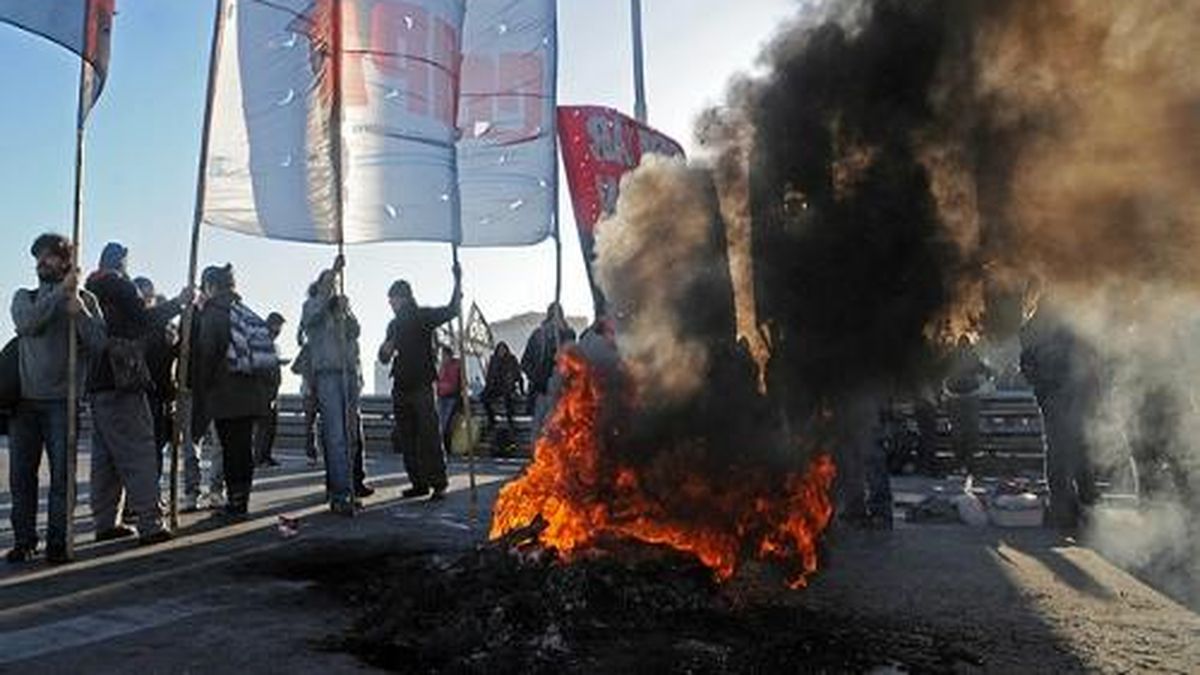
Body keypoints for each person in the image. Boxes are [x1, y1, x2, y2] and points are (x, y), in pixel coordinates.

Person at [6, 234, 106, 564]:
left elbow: (98, 344)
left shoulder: (84, 298)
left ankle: (58, 542)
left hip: (63, 402)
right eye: (38, 258)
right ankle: (24, 540)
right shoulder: (25, 296)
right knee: (22, 476)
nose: (41, 263)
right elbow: (27, 324)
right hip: (24, 403)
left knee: (63, 478)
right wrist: (59, 295)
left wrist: (79, 311)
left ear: (65, 261)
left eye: (49, 257)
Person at [85, 242, 183, 546]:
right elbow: (144, 319)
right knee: (138, 450)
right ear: (122, 262)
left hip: (97, 382)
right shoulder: (121, 286)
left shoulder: (89, 291)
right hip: (123, 377)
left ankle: (105, 521)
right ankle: (151, 523)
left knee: (106, 456)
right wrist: (179, 303)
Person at [193, 264, 274, 520]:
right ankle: (241, 501)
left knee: (231, 450)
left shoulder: (213, 314)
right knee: (243, 449)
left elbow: (207, 353)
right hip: (251, 395)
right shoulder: (244, 311)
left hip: (225, 395)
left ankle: (235, 504)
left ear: (211, 286)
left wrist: (200, 388)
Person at [379, 263, 461, 500]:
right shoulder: (394, 325)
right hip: (404, 385)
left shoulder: (421, 316)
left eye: (392, 299)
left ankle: (435, 482)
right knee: (410, 437)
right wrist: (385, 350)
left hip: (421, 385)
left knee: (426, 436)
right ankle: (421, 482)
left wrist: (457, 282)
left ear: (402, 298)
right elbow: (384, 357)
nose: (390, 304)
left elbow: (452, 309)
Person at [1020, 301, 1099, 530]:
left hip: (1066, 397)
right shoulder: (1041, 330)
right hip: (1058, 398)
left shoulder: (1046, 329)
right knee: (1069, 451)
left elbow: (1089, 363)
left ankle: (1076, 506)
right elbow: (1028, 365)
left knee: (1068, 451)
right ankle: (1074, 507)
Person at [302, 258, 364, 514]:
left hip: (348, 374)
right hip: (327, 375)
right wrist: (333, 275)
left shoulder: (342, 309)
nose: (335, 286)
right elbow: (312, 318)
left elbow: (355, 334)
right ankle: (340, 494)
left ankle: (346, 485)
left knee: (350, 437)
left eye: (336, 283)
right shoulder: (312, 307)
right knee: (336, 436)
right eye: (330, 282)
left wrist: (346, 314)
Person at [133, 275, 178, 485]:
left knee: (153, 447)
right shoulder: (135, 324)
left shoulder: (162, 328)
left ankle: (149, 494)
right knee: (145, 448)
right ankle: (143, 497)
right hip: (141, 394)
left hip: (156, 394)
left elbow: (167, 360)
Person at [521, 303, 576, 437]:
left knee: (560, 431)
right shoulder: (538, 336)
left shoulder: (568, 334)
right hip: (541, 390)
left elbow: (574, 361)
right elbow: (525, 362)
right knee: (541, 431)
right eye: (553, 314)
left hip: (561, 390)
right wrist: (536, 377)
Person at [944, 335, 991, 477]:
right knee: (971, 431)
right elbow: (986, 371)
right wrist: (982, 383)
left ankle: (959, 463)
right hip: (971, 397)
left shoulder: (951, 356)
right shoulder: (972, 355)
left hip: (954, 398)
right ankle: (970, 465)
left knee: (957, 431)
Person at [253, 312, 286, 468]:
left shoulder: (274, 345)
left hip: (273, 389)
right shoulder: (262, 342)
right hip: (263, 390)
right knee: (264, 426)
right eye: (278, 326)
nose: (279, 330)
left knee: (271, 426)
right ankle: (259, 458)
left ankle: (266, 456)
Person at [481, 341, 523, 445]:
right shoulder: (494, 360)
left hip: (508, 387)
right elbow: (490, 376)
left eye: (503, 349)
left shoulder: (511, 360)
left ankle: (510, 422)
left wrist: (521, 390)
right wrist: (488, 387)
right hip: (496, 387)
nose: (502, 352)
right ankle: (492, 419)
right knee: (484, 398)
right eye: (500, 350)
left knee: (507, 398)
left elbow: (517, 375)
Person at [435, 346, 463, 453]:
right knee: (440, 422)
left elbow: (456, 382)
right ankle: (441, 447)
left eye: (445, 355)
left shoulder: (456, 365)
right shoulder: (442, 366)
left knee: (446, 423)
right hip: (442, 396)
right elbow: (439, 380)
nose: (443, 357)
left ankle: (446, 447)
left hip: (451, 397)